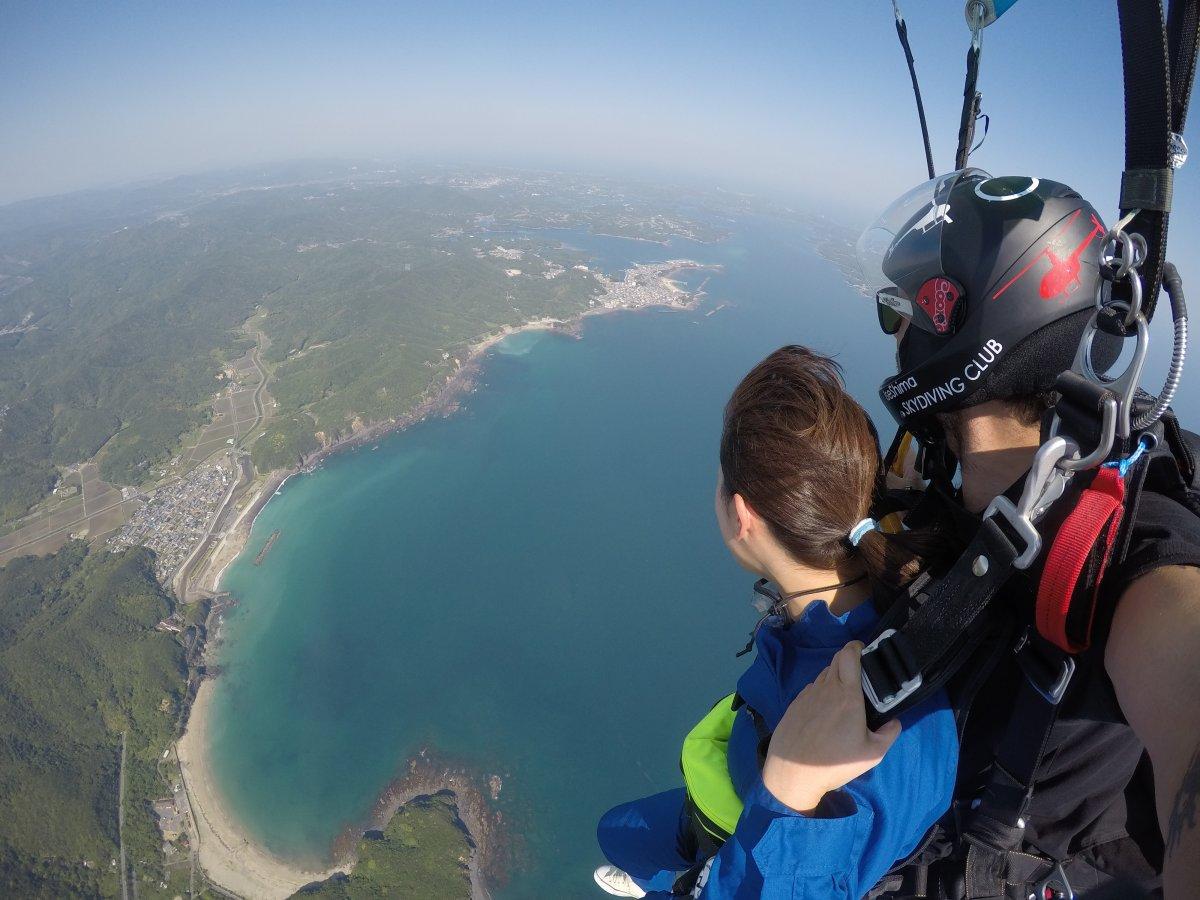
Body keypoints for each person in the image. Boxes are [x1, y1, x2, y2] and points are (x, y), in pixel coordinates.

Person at [768, 168, 1200, 898]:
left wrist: (791, 786)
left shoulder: (1130, 556)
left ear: (957, 323)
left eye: (900, 313)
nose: (895, 332)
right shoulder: (970, 483)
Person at [594, 346, 958, 899]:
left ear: (742, 516)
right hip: (741, 789)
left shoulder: (868, 721)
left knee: (626, 837)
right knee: (616, 832)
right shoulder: (861, 617)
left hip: (751, 838)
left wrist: (789, 790)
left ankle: (677, 883)